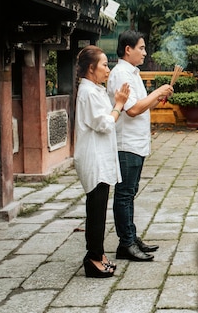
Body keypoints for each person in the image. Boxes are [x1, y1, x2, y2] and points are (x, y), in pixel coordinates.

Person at [107, 30, 174, 262]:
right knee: (124, 194)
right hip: (125, 143)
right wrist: (157, 91)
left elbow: (141, 106)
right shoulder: (120, 75)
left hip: (136, 142)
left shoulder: (133, 73)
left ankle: (131, 237)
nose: (145, 53)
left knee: (130, 192)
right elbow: (133, 110)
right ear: (128, 49)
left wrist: (157, 98)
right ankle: (125, 243)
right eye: (141, 48)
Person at [74, 45, 130, 278]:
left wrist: (116, 103)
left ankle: (98, 253)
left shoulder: (93, 89)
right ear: (91, 68)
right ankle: (92, 258)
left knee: (98, 210)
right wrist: (118, 104)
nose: (108, 69)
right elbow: (105, 124)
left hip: (100, 157)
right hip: (93, 159)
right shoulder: (87, 92)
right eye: (105, 65)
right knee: (96, 211)